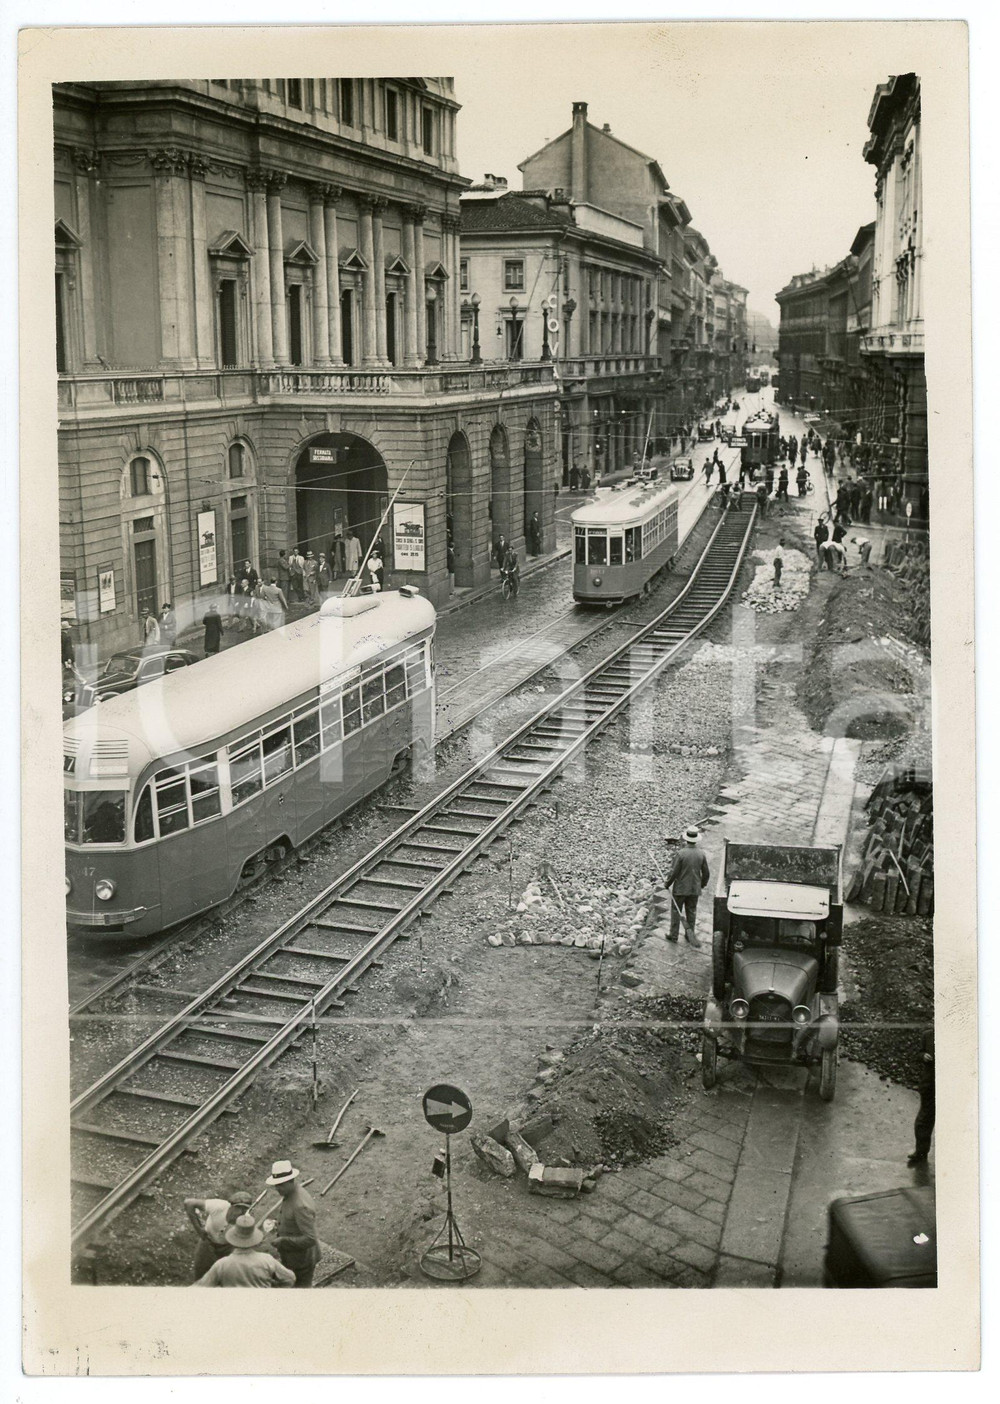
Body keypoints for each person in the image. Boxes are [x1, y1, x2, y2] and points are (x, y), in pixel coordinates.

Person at [195, 1214, 297, 1289]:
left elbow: (200, 1288)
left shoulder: (222, 1264)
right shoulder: (267, 1260)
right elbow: (290, 1278)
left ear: (233, 1239)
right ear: (254, 1240)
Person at [265, 1160, 322, 1287]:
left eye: (280, 1185)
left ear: (290, 1181)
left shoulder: (300, 1205)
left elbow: (310, 1238)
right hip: (294, 1257)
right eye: (276, 1185)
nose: (276, 1188)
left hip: (302, 1262)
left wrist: (283, 1241)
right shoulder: (291, 1193)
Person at [184, 1187, 254, 1280]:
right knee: (201, 1275)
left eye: (245, 1210)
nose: (241, 1212)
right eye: (239, 1208)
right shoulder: (219, 1206)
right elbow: (189, 1203)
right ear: (231, 1206)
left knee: (228, 1277)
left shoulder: (245, 1220)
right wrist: (199, 1229)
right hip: (208, 1242)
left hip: (228, 1247)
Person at [665, 827, 710, 946]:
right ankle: (690, 935)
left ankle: (673, 935)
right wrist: (702, 885)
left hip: (680, 889)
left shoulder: (681, 854)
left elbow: (674, 872)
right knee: (691, 911)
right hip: (694, 889)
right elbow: (706, 873)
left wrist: (667, 883)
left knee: (676, 911)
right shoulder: (701, 854)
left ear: (686, 839)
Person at [908, 1027, 935, 1166]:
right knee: (923, 1120)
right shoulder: (927, 1035)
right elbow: (918, 1054)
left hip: (950, 1086)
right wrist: (923, 1056)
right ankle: (921, 1152)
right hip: (930, 1085)